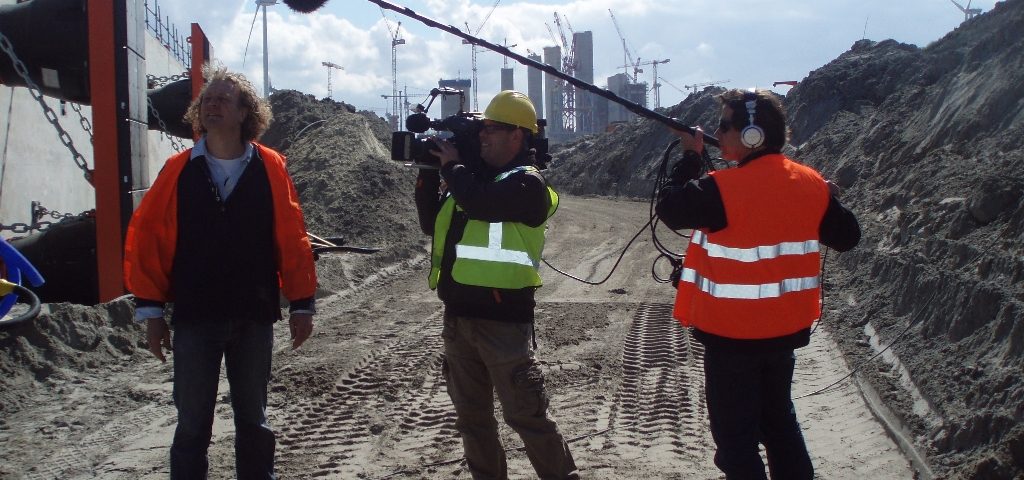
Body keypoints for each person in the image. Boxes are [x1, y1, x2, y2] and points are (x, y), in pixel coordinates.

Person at [123, 64, 317, 479]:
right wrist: (151, 311)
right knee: (192, 425)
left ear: (245, 112)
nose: (212, 105)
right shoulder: (178, 169)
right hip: (196, 317)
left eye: (223, 99)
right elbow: (150, 239)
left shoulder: (271, 167)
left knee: (254, 421)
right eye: (207, 99)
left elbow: (291, 234)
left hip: (253, 315)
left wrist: (303, 303)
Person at [655, 88, 861, 479]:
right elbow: (848, 236)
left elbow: (669, 207)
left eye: (723, 126)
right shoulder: (810, 183)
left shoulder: (724, 190)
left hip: (732, 339)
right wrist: (825, 197)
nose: (718, 131)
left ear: (751, 135)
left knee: (736, 446)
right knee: (780, 427)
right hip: (784, 334)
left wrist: (691, 157)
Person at [414, 90, 579, 479]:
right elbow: (430, 224)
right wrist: (428, 170)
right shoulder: (470, 182)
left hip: (504, 323)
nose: (483, 136)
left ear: (517, 136)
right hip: (459, 320)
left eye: (492, 129)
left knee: (528, 418)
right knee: (473, 423)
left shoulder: (527, 184)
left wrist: (454, 169)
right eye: (481, 129)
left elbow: (484, 204)